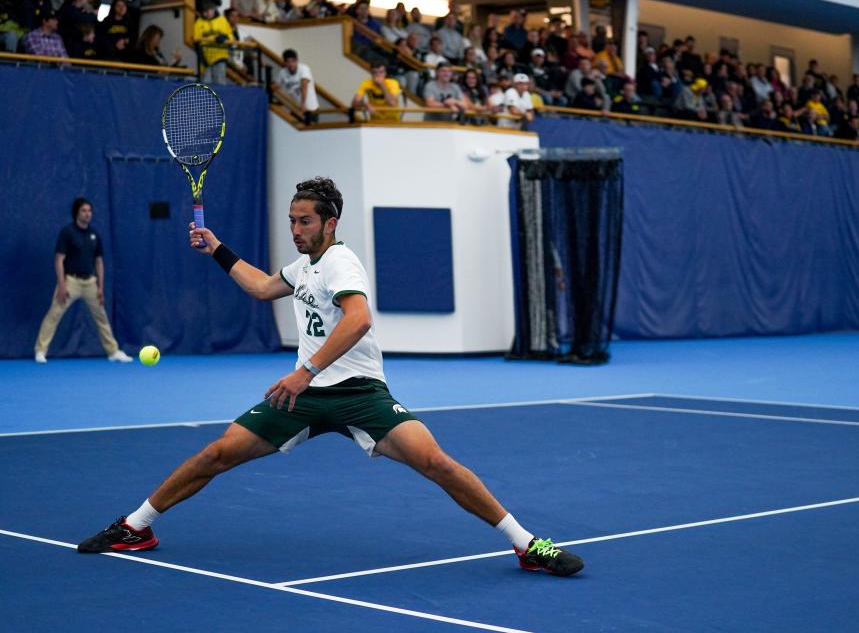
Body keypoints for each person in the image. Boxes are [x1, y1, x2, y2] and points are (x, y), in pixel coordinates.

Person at [75, 178, 585, 577]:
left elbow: (359, 319)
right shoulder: (305, 265)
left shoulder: (341, 261)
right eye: (291, 221)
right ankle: (135, 527)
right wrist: (218, 249)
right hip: (306, 395)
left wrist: (306, 370)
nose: (295, 230)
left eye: (303, 222)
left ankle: (527, 544)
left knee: (435, 461)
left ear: (329, 222)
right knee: (216, 454)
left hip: (359, 393)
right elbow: (261, 287)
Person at [35, 197, 133, 364]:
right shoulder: (67, 233)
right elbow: (59, 259)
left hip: (90, 283)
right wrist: (62, 285)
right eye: (84, 211)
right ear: (77, 213)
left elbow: (99, 262)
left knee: (102, 317)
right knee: (53, 315)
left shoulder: (94, 235)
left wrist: (100, 287)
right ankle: (40, 351)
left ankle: (113, 351)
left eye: (89, 211)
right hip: (70, 282)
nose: (88, 214)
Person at [275, 48, 320, 124]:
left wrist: (302, 105)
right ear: (285, 63)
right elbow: (275, 86)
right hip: (295, 109)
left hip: (311, 108)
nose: (291, 64)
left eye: (293, 61)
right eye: (288, 62)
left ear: (296, 61)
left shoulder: (304, 69)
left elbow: (304, 87)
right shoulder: (283, 72)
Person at [193, 2, 232, 85]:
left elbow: (230, 36)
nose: (206, 13)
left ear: (214, 10)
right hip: (205, 59)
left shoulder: (222, 20)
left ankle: (220, 98)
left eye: (209, 11)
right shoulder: (199, 22)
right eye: (204, 11)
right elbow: (196, 40)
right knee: (205, 84)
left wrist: (225, 37)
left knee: (220, 84)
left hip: (220, 56)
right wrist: (202, 58)